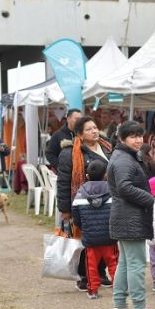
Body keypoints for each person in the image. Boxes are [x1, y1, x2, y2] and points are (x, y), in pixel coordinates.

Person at [107, 121, 155, 309]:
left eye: (140, 135)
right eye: (133, 136)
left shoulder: (122, 156)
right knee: (136, 264)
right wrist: (150, 199)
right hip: (130, 217)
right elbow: (124, 187)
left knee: (126, 263)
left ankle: (120, 306)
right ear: (122, 139)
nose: (138, 140)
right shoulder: (124, 160)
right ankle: (139, 307)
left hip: (124, 216)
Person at [57, 116, 113, 292]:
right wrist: (65, 209)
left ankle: (101, 272)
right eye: (89, 129)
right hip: (83, 203)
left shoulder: (107, 147)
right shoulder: (70, 153)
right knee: (84, 241)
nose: (95, 131)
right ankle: (83, 275)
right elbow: (63, 182)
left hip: (106, 201)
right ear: (79, 134)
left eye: (95, 127)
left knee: (105, 237)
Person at [71, 160, 118, 300]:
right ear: (105, 175)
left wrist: (85, 228)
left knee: (91, 265)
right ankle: (119, 289)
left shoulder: (80, 193)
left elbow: (76, 216)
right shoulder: (112, 191)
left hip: (90, 238)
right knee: (114, 263)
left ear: (87, 176)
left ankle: (92, 290)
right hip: (110, 236)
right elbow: (117, 212)